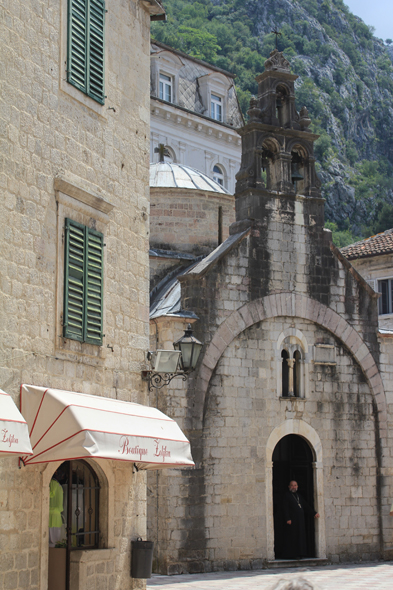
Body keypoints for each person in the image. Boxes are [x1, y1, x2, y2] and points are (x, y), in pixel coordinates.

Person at [283, 480, 319, 559]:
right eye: (292, 485)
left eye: (295, 485)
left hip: (300, 520)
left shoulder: (299, 496)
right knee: (293, 537)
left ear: (297, 486)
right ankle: (293, 554)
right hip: (292, 521)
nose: (293, 487)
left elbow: (306, 506)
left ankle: (301, 553)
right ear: (289, 486)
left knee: (300, 536)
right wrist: (287, 518)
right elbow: (285, 508)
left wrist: (313, 513)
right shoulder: (287, 495)